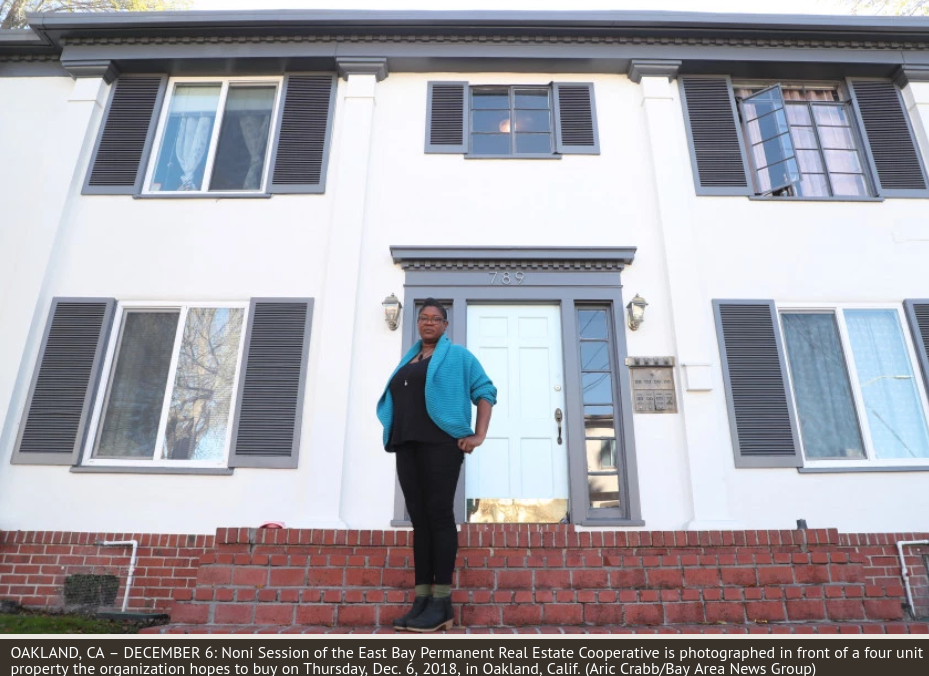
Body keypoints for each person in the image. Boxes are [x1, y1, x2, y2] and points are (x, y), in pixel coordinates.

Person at [376, 298, 496, 632]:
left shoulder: (458, 356)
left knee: (439, 517)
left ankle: (441, 602)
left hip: (442, 444)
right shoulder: (410, 358)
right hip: (407, 444)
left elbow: (485, 391)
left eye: (435, 318)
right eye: (423, 318)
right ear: (417, 323)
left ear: (445, 325)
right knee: (420, 521)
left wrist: (478, 435)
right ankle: (422, 600)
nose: (428, 322)